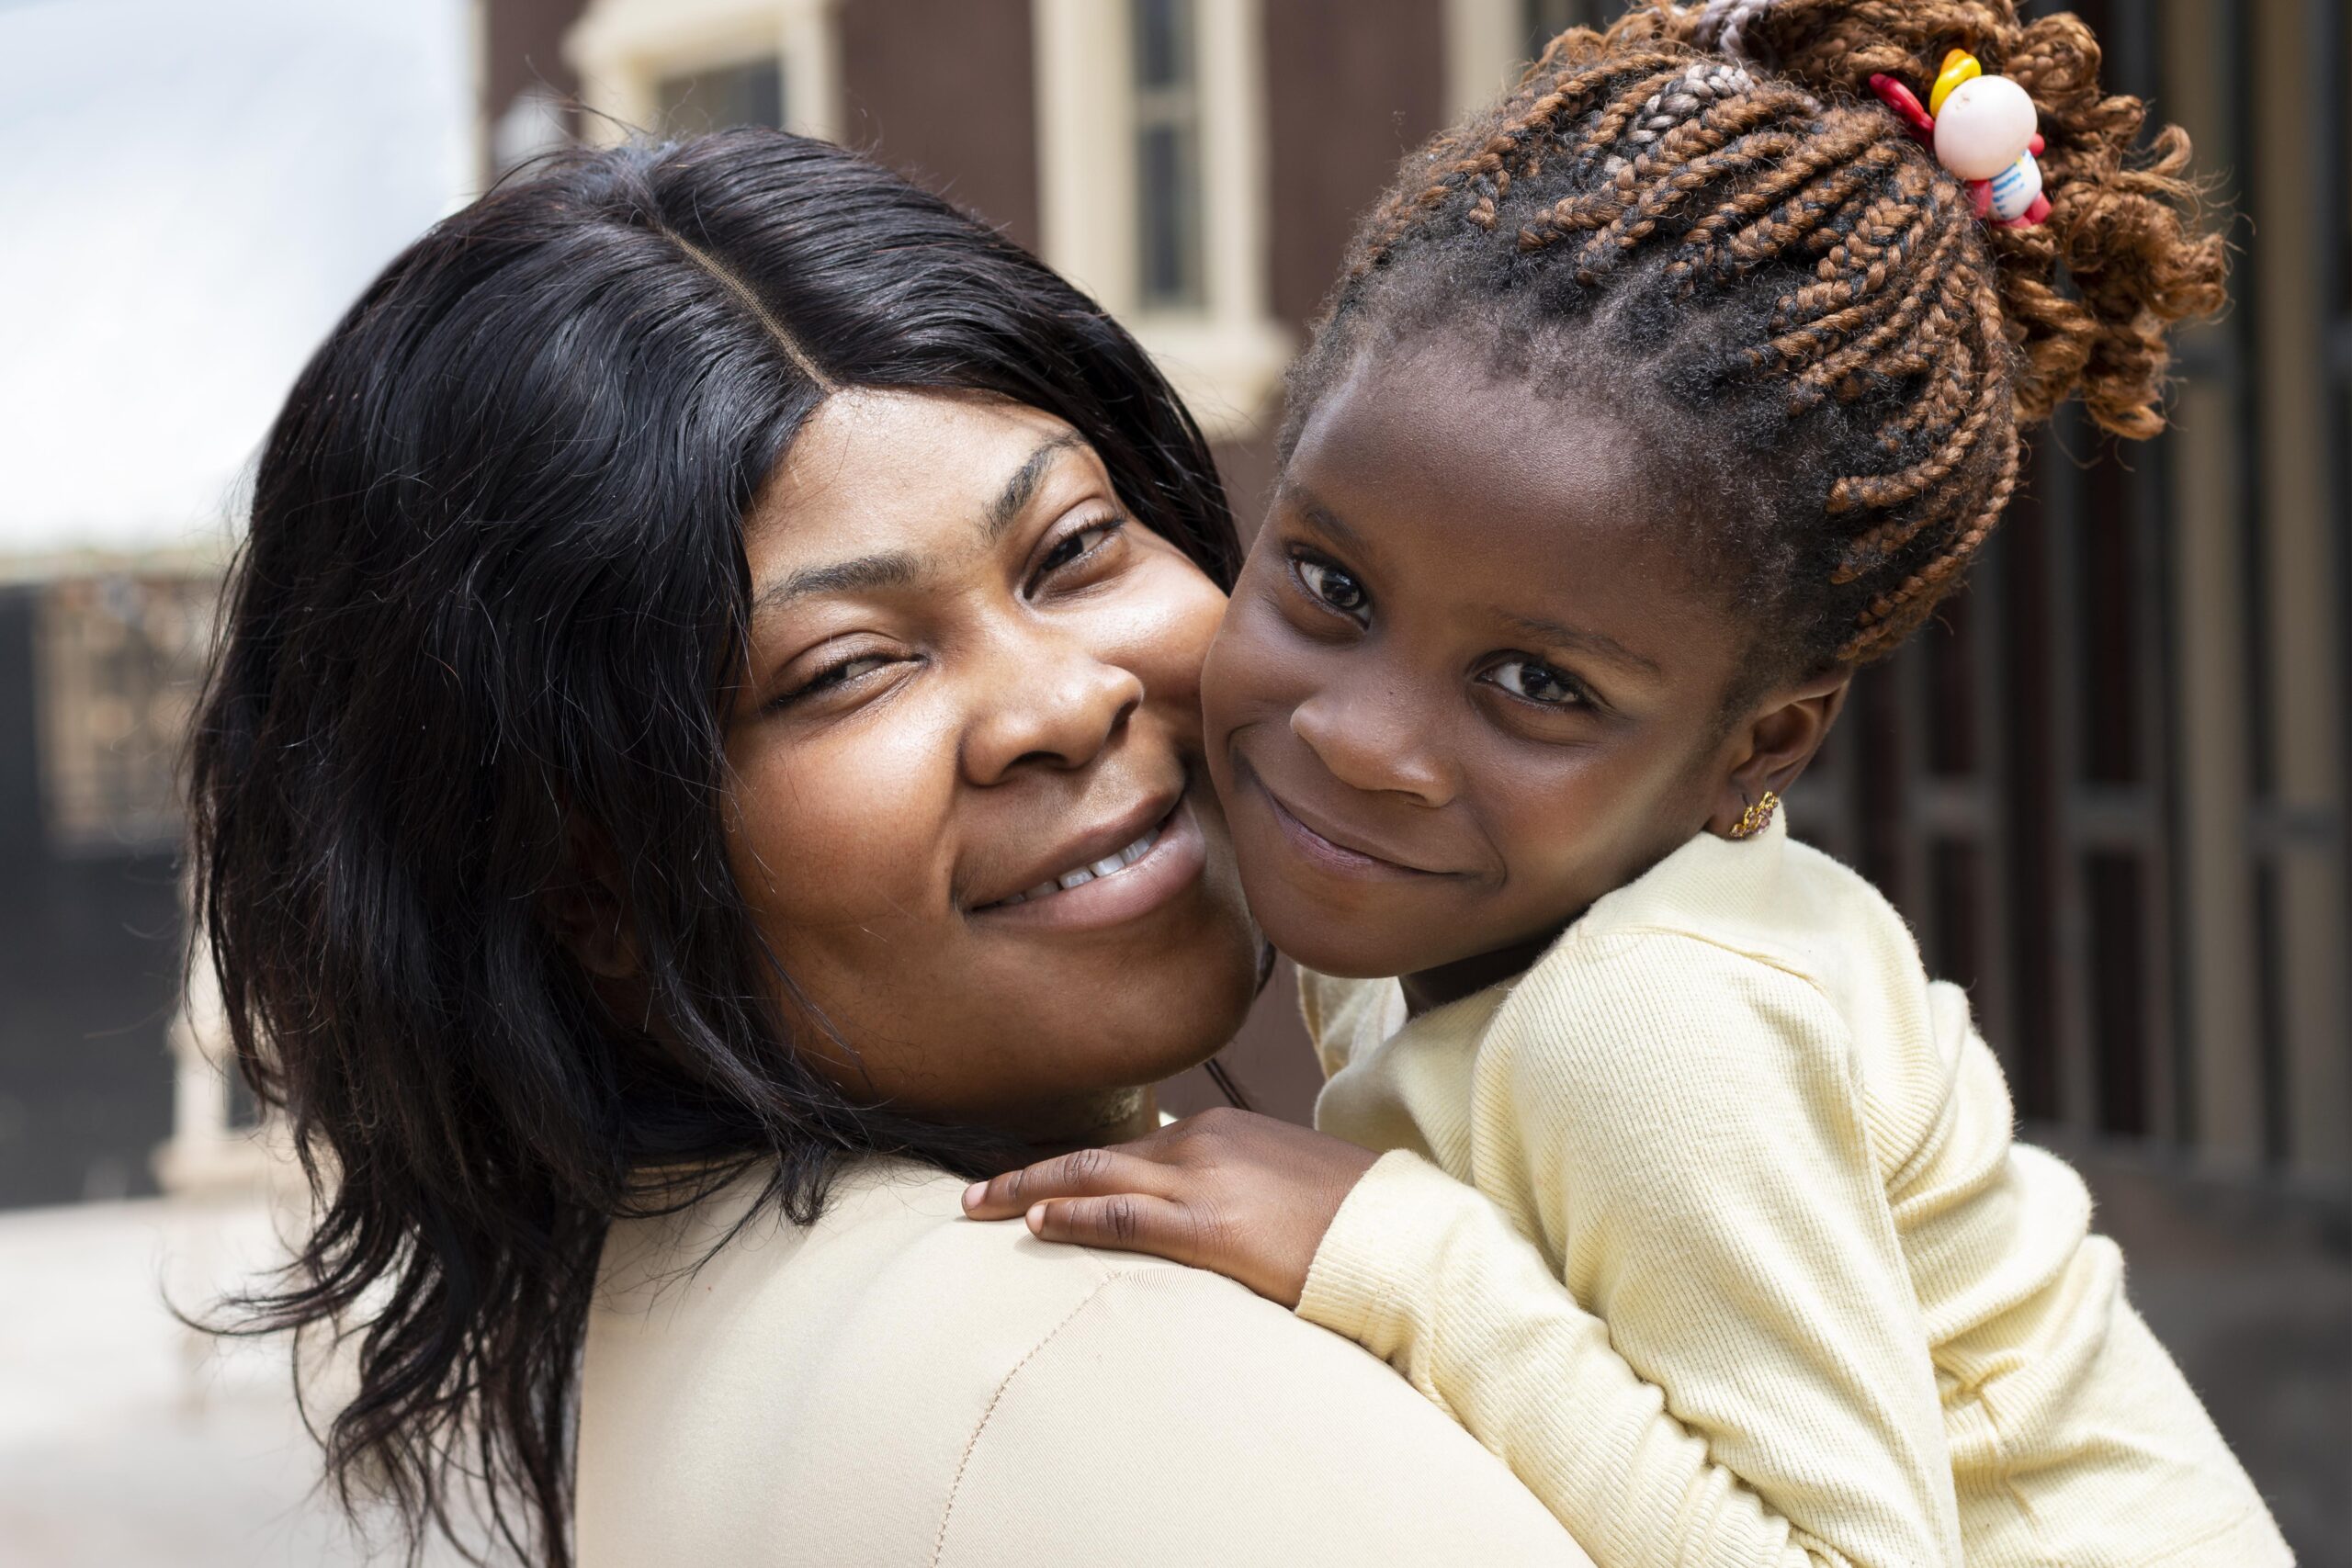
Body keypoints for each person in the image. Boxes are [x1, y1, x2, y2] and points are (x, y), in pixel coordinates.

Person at [965, 5, 2292, 1565]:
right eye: (1327, 584)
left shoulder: (1650, 1026)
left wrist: (1406, 1265)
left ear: (1759, 749)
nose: (1362, 742)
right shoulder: (1448, 918)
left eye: (1538, 687)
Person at [187, 131, 1591, 1568]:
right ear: (588, 884)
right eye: (848, 668)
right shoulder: (1092, 1379)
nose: (1060, 702)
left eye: (1075, 550)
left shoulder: (702, 1307)